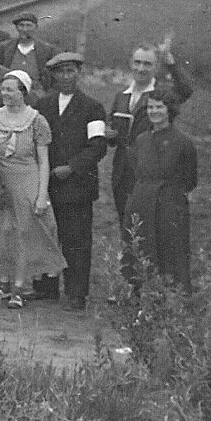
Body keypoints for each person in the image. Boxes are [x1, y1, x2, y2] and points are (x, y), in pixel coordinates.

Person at [0, 70, 64, 309]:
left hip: (27, 180)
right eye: (3, 89)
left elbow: (44, 160)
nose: (5, 94)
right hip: (1, 182)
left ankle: (19, 287)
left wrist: (42, 194)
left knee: (24, 233)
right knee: (2, 230)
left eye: (11, 90)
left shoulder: (36, 120)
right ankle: (1, 281)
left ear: (23, 92)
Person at [30, 52, 109, 312]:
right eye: (60, 72)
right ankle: (46, 287)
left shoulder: (92, 107)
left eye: (70, 71)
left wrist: (72, 167)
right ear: (53, 75)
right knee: (47, 236)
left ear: (78, 74)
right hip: (48, 183)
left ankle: (76, 293)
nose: (65, 77)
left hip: (77, 186)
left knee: (76, 240)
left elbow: (97, 147)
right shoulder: (43, 105)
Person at [107, 43, 195, 224]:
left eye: (147, 64)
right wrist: (110, 134)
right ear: (131, 63)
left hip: (152, 173)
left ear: (155, 67)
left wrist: (170, 62)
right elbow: (114, 128)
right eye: (137, 62)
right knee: (126, 226)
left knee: (148, 228)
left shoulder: (162, 95)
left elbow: (185, 89)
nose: (141, 68)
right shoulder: (121, 96)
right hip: (122, 172)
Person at [122, 91, 198, 290]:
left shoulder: (183, 143)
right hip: (141, 203)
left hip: (169, 206)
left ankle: (171, 302)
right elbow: (136, 171)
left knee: (170, 255)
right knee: (141, 251)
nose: (154, 111)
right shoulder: (141, 140)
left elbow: (189, 180)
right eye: (150, 107)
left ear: (169, 110)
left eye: (159, 107)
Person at [0, 12, 53, 92]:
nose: (25, 29)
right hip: (10, 91)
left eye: (29, 25)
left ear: (36, 27)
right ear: (16, 28)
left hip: (36, 93)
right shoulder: (5, 47)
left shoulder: (46, 49)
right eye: (21, 25)